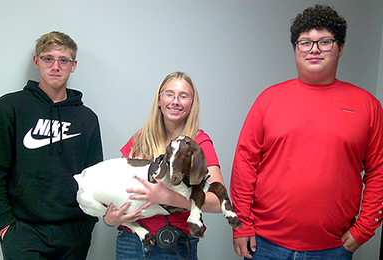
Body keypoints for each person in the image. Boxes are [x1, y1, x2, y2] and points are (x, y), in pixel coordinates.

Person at [230, 5, 383, 260]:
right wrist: (241, 225)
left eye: (324, 42)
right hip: (265, 245)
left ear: (340, 47)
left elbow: (379, 172)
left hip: (332, 249)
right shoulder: (268, 100)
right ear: (295, 49)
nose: (313, 49)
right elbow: (244, 164)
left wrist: (363, 230)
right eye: (305, 42)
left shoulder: (368, 106)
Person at [0, 31, 103, 259]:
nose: (55, 66)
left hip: (73, 233)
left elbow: (94, 177)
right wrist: (5, 224)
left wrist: (87, 224)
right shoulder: (10, 107)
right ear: (37, 62)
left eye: (63, 60)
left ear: (73, 65)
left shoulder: (86, 118)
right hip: (23, 231)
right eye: (48, 58)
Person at [103, 71, 225, 259]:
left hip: (173, 245)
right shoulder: (139, 140)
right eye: (169, 94)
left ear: (191, 104)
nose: (175, 101)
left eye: (183, 96)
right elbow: (115, 189)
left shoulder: (199, 142)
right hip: (130, 242)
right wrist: (110, 218)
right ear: (159, 100)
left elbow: (218, 203)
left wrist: (171, 198)